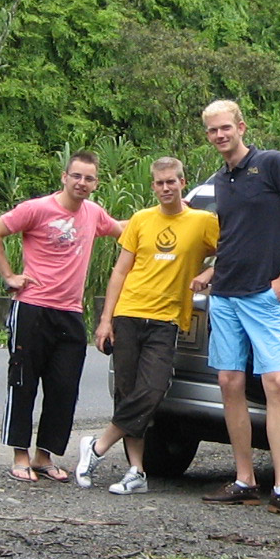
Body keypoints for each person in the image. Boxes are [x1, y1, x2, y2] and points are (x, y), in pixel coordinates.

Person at [193, 99, 280, 517]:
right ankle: (244, 479)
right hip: (226, 293)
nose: (219, 136)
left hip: (265, 296)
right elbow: (233, 236)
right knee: (229, 382)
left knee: (276, 384)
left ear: (241, 126)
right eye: (212, 130)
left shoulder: (271, 164)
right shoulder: (220, 180)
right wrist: (212, 272)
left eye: (225, 127)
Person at [73, 157, 220, 494]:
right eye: (160, 183)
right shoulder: (140, 220)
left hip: (167, 320)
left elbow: (230, 251)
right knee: (127, 392)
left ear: (183, 182)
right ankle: (136, 471)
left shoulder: (202, 221)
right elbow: (121, 271)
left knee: (152, 390)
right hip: (129, 313)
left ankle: (96, 446)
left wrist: (208, 272)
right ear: (152, 185)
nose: (166, 188)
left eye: (172, 182)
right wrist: (105, 320)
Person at [0, 152, 123, 483]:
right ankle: (20, 455)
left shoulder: (93, 213)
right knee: (23, 381)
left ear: (95, 183)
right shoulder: (38, 209)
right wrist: (9, 275)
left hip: (70, 313)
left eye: (89, 179)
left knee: (63, 388)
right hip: (32, 308)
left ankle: (45, 456)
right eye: (76, 176)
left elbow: (122, 230)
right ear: (64, 176)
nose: (82, 183)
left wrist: (165, 216)